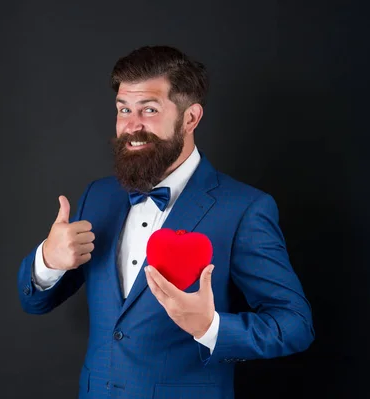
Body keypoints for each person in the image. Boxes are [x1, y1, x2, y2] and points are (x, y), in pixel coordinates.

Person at [17, 45, 314, 399]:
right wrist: (47, 262)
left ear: (191, 118)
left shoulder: (245, 208)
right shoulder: (98, 196)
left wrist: (210, 328)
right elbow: (35, 302)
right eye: (124, 109)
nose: (132, 125)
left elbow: (295, 325)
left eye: (150, 110)